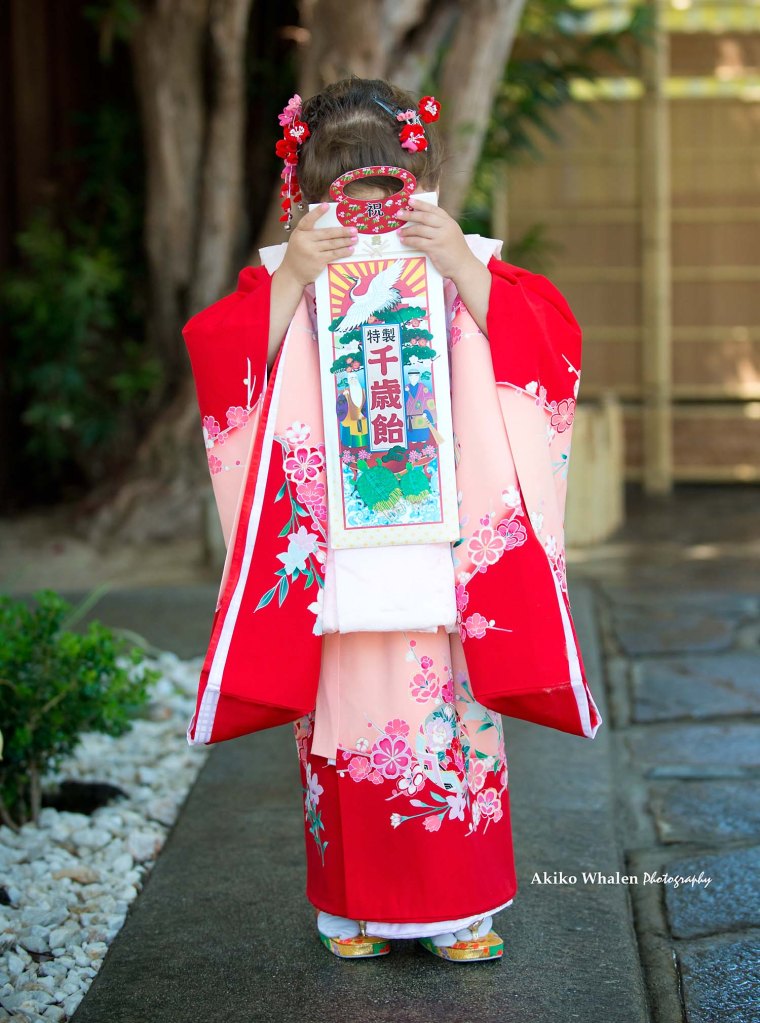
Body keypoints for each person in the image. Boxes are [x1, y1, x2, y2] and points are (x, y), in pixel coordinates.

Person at [182, 77, 602, 963]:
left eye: (390, 191)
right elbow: (226, 365)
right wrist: (294, 276)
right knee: (346, 713)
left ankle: (463, 907)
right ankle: (355, 907)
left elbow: (548, 352)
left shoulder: (461, 261)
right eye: (348, 194)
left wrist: (461, 268)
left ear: (424, 181)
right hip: (336, 546)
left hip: (445, 542)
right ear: (307, 194)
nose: (371, 213)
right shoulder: (288, 276)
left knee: (449, 712)